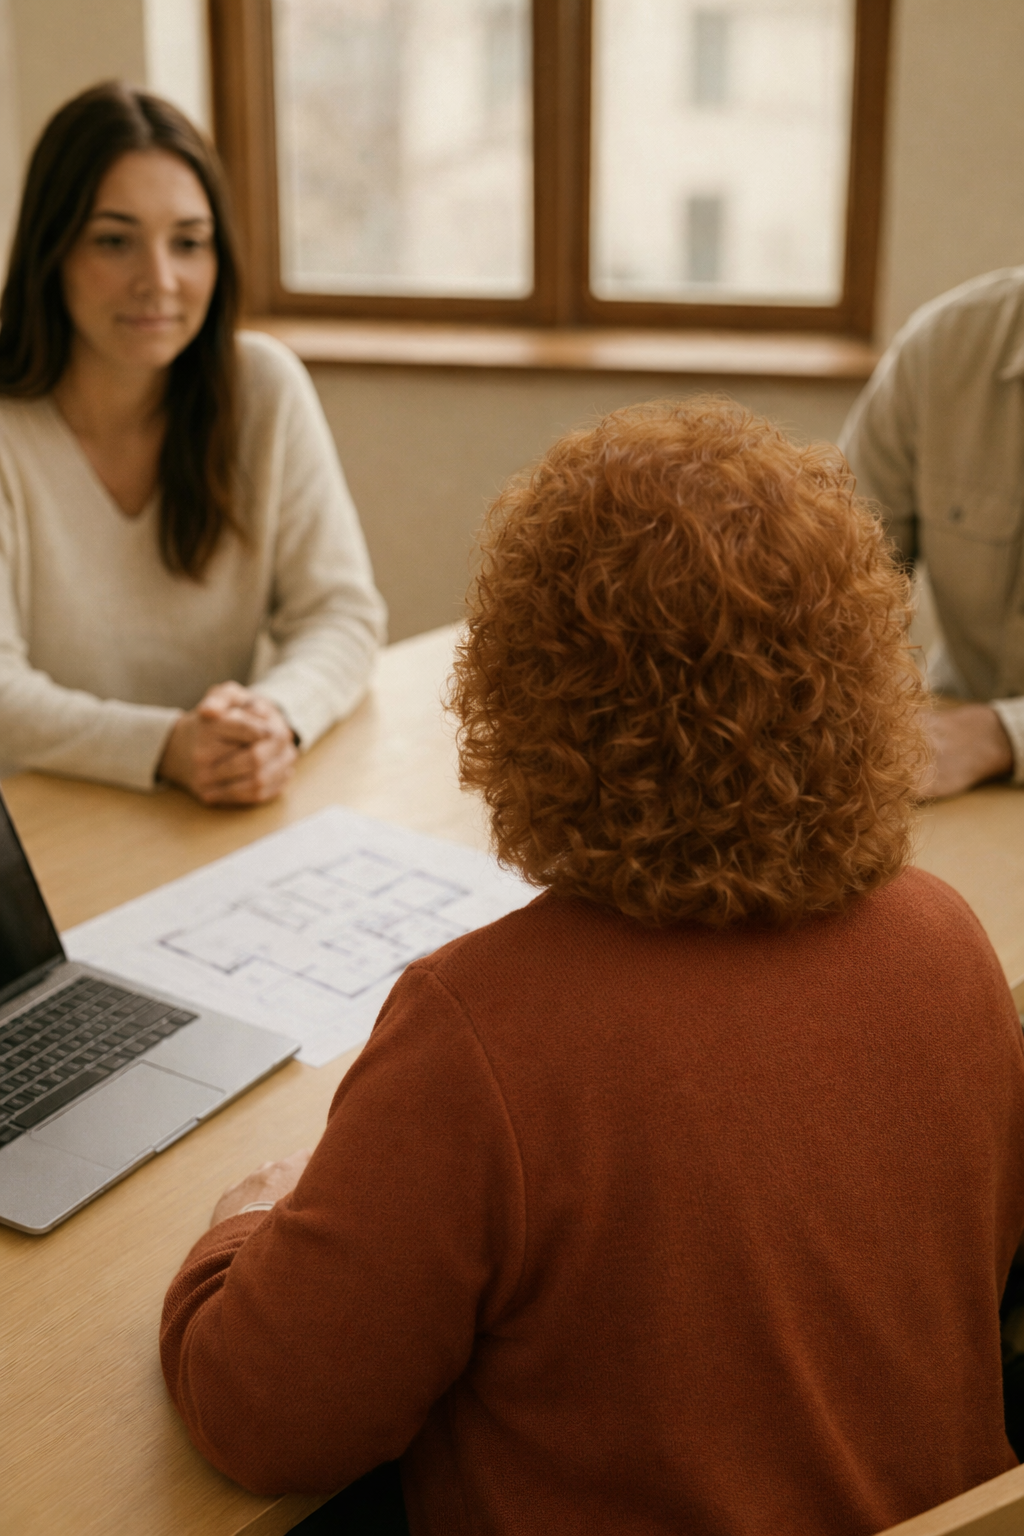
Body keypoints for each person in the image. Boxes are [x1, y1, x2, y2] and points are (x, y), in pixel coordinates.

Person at [161, 399, 1024, 1536]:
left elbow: (265, 1419)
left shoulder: (480, 1032)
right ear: (854, 672)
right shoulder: (945, 942)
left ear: (523, 693)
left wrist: (238, 1232)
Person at [0, 84, 385, 805]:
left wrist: (276, 718)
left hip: (210, 815)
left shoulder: (264, 388)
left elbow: (340, 614)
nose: (160, 280)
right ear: (50, 252)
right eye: (114, 240)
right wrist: (167, 747)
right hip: (33, 838)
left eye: (188, 242)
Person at [839, 266, 1024, 799]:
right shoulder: (945, 344)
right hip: (946, 755)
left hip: (962, 747)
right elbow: (838, 577)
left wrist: (1001, 735)